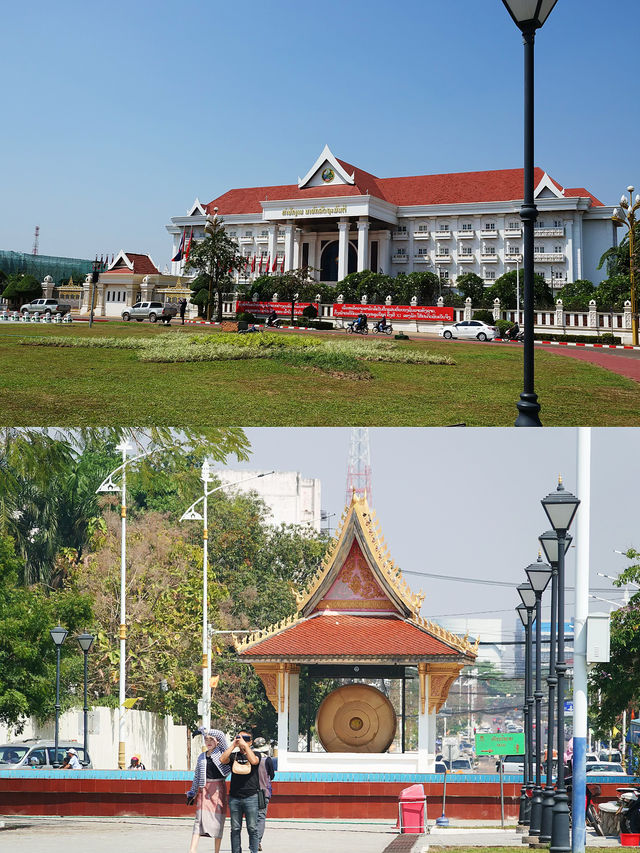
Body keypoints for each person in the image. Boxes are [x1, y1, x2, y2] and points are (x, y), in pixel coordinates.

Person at [186, 728, 231, 853]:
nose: (208, 742)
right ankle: (192, 850)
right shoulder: (202, 757)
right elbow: (197, 776)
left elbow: (221, 734)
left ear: (217, 741)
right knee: (198, 820)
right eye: (206, 739)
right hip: (204, 790)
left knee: (218, 820)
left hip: (218, 790)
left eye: (211, 739)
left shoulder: (222, 753)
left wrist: (204, 730)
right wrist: (192, 792)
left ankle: (216, 851)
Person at [219, 729, 261, 853]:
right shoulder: (234, 756)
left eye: (246, 738)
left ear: (251, 742)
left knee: (252, 828)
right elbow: (222, 759)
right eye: (240, 737)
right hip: (235, 797)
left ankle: (253, 851)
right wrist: (233, 745)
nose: (243, 740)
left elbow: (253, 761)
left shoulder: (256, 754)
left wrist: (245, 746)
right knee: (235, 829)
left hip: (251, 797)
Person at [252, 738, 275, 852]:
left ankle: (254, 841)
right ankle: (257, 842)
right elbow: (272, 775)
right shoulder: (267, 760)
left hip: (249, 792)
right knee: (261, 818)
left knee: (252, 819)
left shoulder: (250, 759)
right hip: (263, 792)